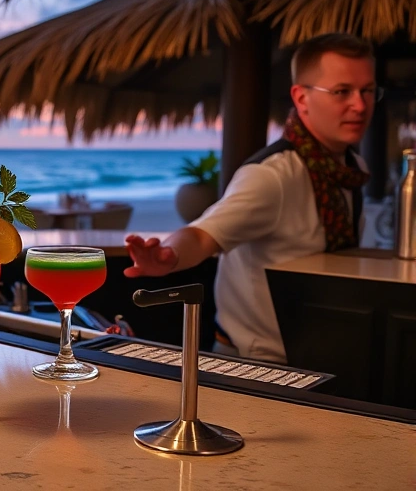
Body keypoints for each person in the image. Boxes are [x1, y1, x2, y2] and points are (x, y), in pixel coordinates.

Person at [124, 33, 378, 363]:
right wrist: (168, 257)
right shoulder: (272, 175)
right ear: (301, 98)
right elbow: (203, 234)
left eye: (368, 91)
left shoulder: (353, 167)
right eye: (342, 91)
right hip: (257, 362)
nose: (360, 105)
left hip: (323, 352)